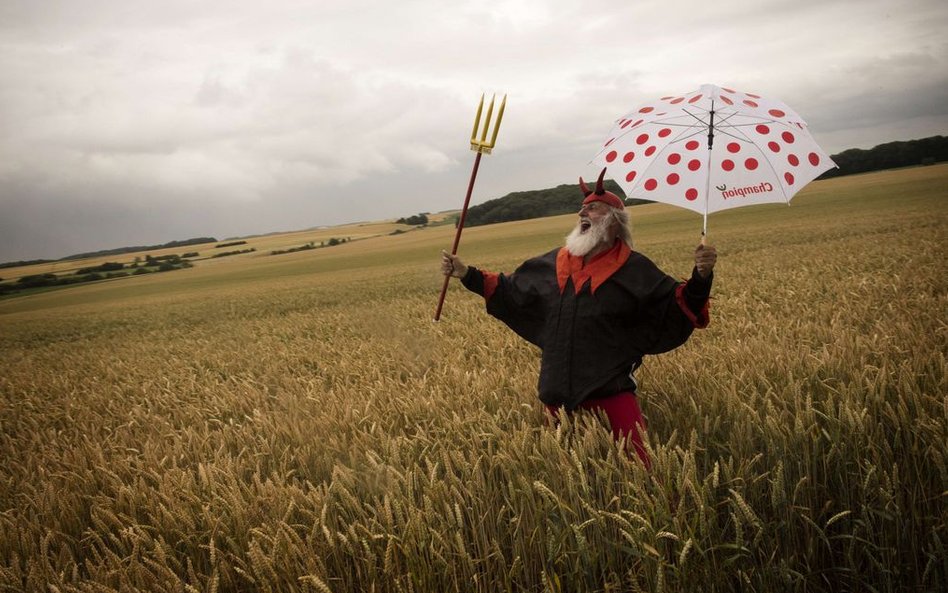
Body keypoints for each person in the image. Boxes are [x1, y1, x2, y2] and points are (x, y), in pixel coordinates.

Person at [440, 168, 717, 466]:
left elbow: (675, 304)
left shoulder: (635, 269)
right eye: (581, 209)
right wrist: (465, 274)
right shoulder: (552, 263)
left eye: (593, 208)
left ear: (614, 221)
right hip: (556, 391)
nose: (583, 212)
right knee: (565, 472)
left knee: (643, 467)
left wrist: (702, 276)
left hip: (611, 389)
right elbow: (511, 291)